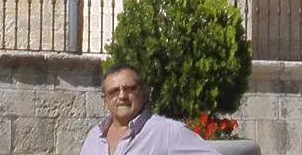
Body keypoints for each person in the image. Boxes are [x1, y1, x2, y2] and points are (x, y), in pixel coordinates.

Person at [83, 64, 213, 154]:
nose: (122, 96)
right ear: (105, 101)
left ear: (143, 93)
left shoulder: (168, 133)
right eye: (114, 91)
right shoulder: (94, 137)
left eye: (130, 89)